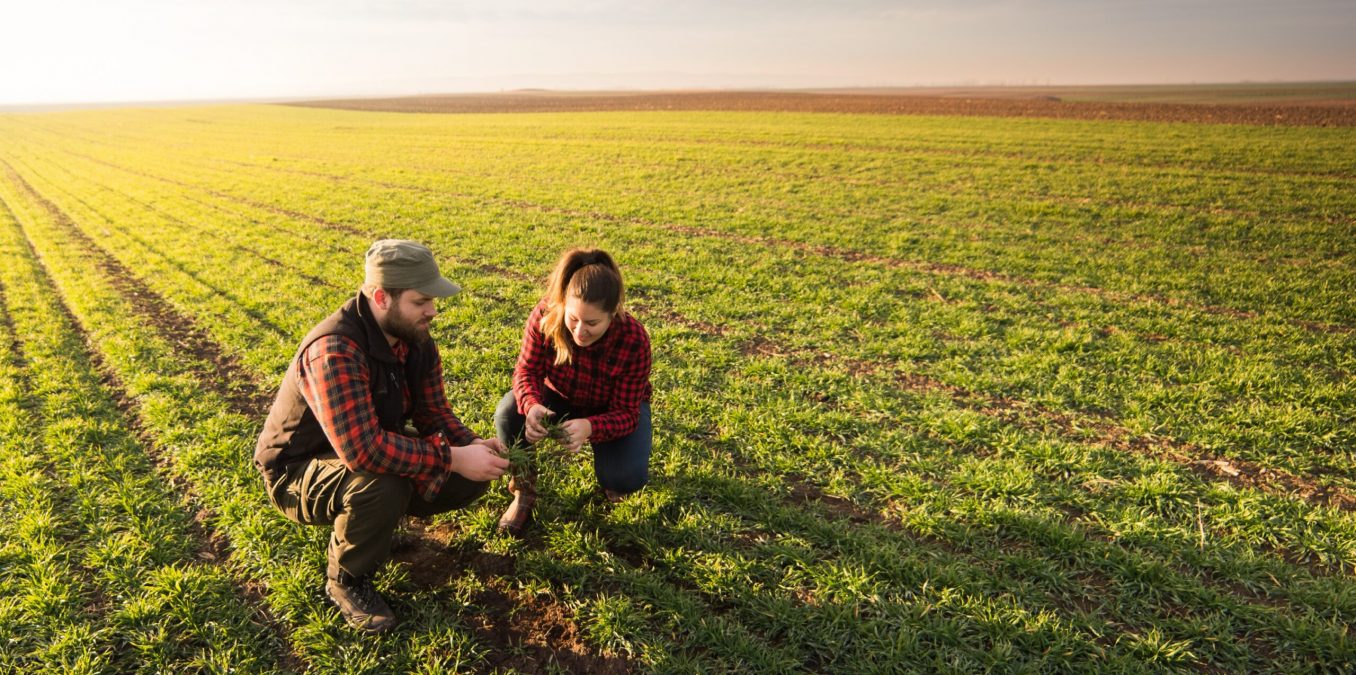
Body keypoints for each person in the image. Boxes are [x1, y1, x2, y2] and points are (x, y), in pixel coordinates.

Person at [255, 239, 509, 633]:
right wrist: (453, 458)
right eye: (421, 301)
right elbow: (364, 451)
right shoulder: (335, 350)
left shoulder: (415, 340)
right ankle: (346, 581)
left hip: (362, 450)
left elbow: (434, 414)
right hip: (297, 471)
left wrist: (471, 445)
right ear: (380, 298)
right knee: (382, 482)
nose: (432, 311)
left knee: (464, 478)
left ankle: (376, 525)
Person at [494, 248, 652, 535]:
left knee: (625, 478)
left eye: (592, 323)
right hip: (559, 395)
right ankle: (524, 490)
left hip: (609, 408)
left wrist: (591, 426)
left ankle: (612, 478)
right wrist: (531, 406)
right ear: (563, 303)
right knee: (508, 413)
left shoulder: (634, 338)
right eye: (573, 318)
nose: (580, 332)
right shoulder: (545, 316)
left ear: (613, 313)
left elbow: (628, 413)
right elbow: (526, 371)